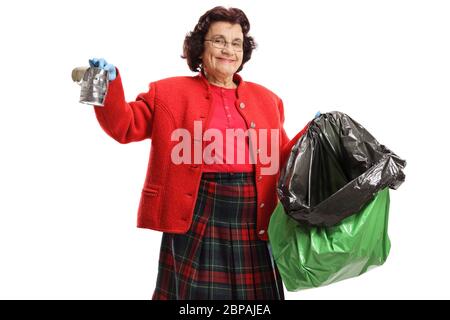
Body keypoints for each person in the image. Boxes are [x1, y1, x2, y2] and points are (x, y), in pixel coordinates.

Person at [89, 6, 304, 300]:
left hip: (255, 220)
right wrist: (106, 83)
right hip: (197, 215)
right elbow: (123, 126)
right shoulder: (168, 93)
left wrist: (313, 133)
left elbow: (282, 156)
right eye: (218, 41)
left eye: (236, 43)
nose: (228, 49)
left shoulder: (268, 99)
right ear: (199, 48)